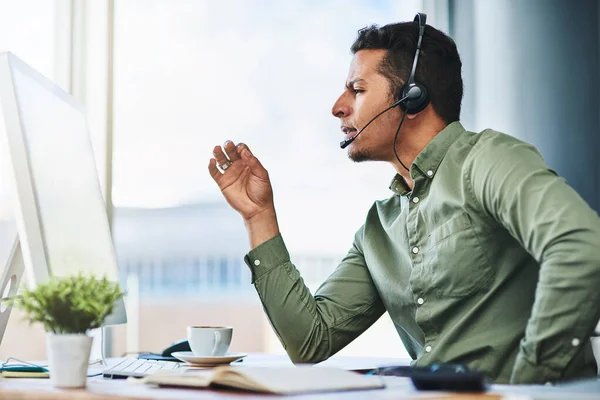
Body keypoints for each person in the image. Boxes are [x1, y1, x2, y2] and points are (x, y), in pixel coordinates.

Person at [207, 15, 600, 384]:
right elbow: (310, 340)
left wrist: (527, 382)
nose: (337, 107)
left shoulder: (488, 160)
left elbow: (580, 247)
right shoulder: (380, 227)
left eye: (357, 90)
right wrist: (259, 217)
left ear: (412, 98)